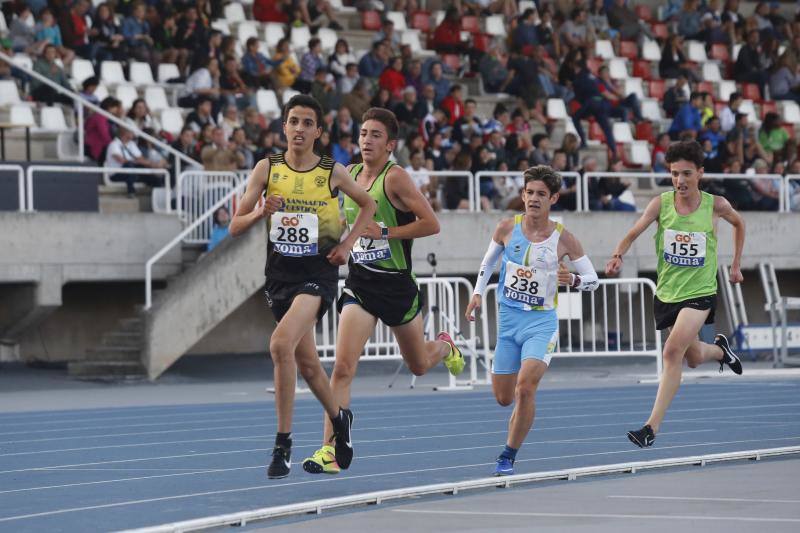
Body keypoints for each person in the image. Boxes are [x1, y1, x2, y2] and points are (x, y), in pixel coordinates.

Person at [301, 108, 464, 475]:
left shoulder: (396, 179)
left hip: (396, 287)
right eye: (362, 133)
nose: (366, 140)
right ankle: (330, 449)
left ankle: (446, 345)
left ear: (390, 145)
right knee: (342, 368)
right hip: (360, 282)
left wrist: (386, 233)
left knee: (419, 364)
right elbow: (346, 219)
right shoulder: (352, 174)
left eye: (375, 135)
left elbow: (431, 223)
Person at [229, 95, 376, 479]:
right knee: (309, 366)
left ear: (318, 132)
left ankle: (283, 443)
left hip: (318, 275)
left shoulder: (332, 172)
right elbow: (235, 225)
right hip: (279, 277)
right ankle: (339, 420)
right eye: (293, 121)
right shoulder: (268, 168)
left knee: (280, 345)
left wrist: (346, 245)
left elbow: (367, 206)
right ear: (284, 127)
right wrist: (262, 210)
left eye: (307, 123)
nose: (298, 129)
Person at [605, 140, 745, 448]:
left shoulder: (715, 205)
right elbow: (633, 231)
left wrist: (735, 264)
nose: (680, 181)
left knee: (671, 352)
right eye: (674, 174)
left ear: (700, 174)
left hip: (701, 292)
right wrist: (618, 254)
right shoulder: (661, 204)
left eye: (686, 174)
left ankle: (650, 428)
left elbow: (739, 224)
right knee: (693, 357)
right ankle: (721, 351)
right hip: (668, 292)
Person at [465, 165, 599, 476]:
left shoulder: (565, 239)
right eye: (529, 193)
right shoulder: (505, 228)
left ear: (553, 198)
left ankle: (508, 454)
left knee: (525, 388)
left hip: (541, 323)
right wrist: (476, 294)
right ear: (522, 196)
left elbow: (593, 279)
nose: (534, 199)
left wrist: (575, 281)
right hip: (509, 323)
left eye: (541, 194)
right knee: (502, 397)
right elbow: (487, 264)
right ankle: (517, 421)